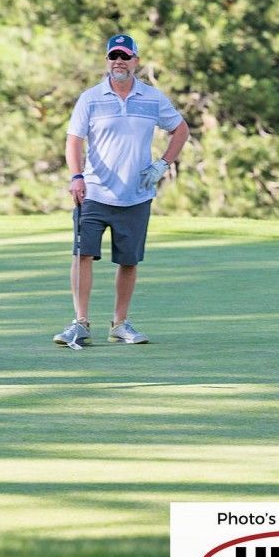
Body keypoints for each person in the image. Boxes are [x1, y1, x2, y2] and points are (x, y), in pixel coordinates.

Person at [56, 34, 189, 347]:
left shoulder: (152, 98)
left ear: (135, 62)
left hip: (136, 194)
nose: (119, 62)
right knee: (82, 255)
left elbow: (180, 130)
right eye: (114, 56)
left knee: (128, 261)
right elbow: (74, 139)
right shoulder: (90, 98)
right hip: (94, 192)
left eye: (125, 57)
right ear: (107, 61)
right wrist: (77, 176)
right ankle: (81, 322)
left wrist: (162, 164)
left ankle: (119, 324)